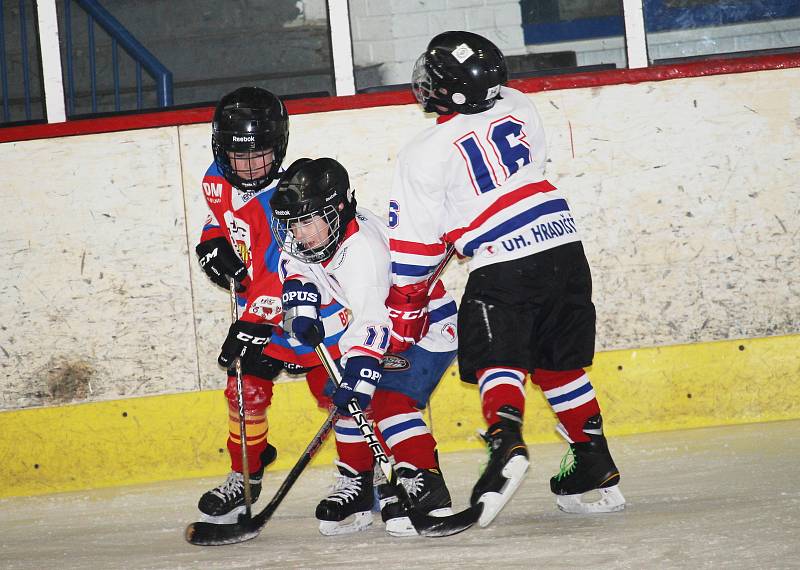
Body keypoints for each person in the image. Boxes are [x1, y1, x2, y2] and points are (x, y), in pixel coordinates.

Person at [386, 30, 626, 527]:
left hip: (506, 261)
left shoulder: (423, 152)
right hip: (564, 243)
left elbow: (415, 250)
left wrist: (406, 308)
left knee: (499, 355)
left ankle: (504, 442)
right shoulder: (520, 103)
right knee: (556, 362)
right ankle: (593, 459)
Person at [269, 157, 460, 536]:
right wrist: (302, 300)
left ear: (338, 209)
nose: (299, 234)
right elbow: (296, 264)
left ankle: (424, 484)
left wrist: (360, 373)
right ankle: (358, 486)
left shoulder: (363, 255)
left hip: (424, 330)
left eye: (308, 221)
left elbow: (371, 323)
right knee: (340, 392)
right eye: (294, 223)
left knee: (386, 400)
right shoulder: (322, 236)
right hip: (384, 326)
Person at [194, 86, 348, 524]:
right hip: (258, 308)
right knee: (245, 390)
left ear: (278, 146)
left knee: (336, 391)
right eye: (237, 157)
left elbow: (282, 268)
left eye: (258, 155)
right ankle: (246, 473)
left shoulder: (289, 198)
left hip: (307, 307)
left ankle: (362, 473)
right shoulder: (214, 179)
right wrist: (211, 244)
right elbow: (219, 221)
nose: (246, 167)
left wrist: (252, 322)